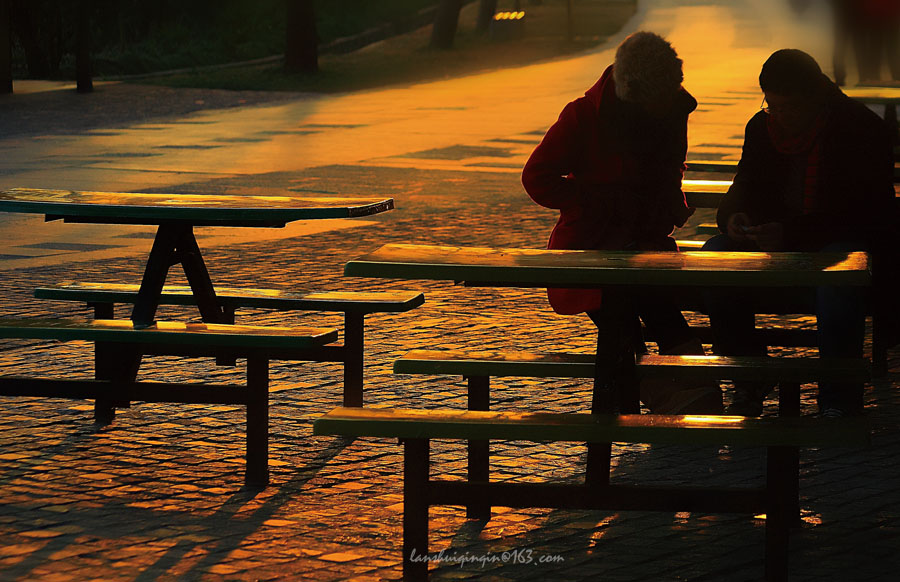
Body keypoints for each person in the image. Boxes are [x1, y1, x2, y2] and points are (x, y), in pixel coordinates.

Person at [522, 31, 722, 414]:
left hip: (644, 238)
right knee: (622, 317)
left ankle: (694, 392)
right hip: (592, 245)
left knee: (661, 308)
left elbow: (668, 169)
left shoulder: (671, 107)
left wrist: (667, 205)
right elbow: (536, 177)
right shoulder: (584, 115)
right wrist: (591, 202)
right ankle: (677, 397)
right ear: (632, 87)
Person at [702, 49, 896, 417]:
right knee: (717, 255)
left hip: (838, 244)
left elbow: (870, 214)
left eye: (787, 108)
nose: (778, 116)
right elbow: (744, 184)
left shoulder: (860, 128)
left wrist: (790, 232)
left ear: (815, 98)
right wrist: (733, 217)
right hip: (772, 240)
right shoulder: (762, 127)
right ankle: (748, 375)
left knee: (840, 278)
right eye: (771, 106)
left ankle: (839, 394)